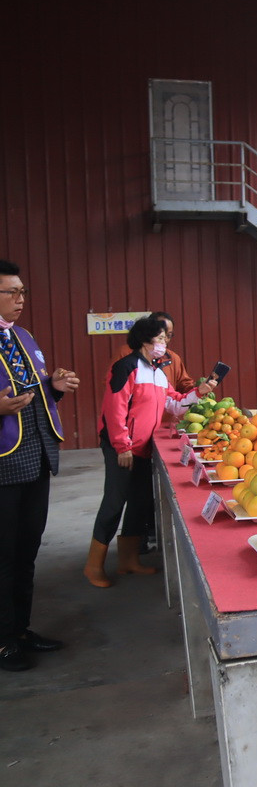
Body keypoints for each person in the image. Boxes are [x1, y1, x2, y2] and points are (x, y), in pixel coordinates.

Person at [86, 316, 212, 587]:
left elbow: (175, 403)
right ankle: (94, 565)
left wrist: (199, 393)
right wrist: (122, 446)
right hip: (123, 448)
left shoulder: (156, 372)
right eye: (161, 337)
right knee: (114, 502)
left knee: (140, 502)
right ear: (145, 340)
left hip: (145, 447)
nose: (165, 343)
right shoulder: (126, 367)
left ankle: (128, 561)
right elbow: (114, 408)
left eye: (167, 338)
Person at [0, 260, 80, 673]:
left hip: (37, 454)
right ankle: (3, 640)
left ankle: (20, 629)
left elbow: (32, 391)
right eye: (11, 293)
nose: (20, 300)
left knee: (28, 547)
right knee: (4, 554)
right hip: (4, 462)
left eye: (22, 292)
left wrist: (55, 387)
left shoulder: (23, 337)